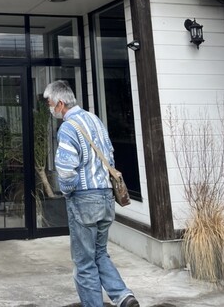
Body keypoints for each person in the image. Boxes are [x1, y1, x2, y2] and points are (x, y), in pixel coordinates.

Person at [43, 80, 140, 307]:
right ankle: (123, 296)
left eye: (50, 104)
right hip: (106, 196)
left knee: (84, 262)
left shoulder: (68, 127)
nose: (50, 109)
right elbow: (110, 156)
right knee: (99, 253)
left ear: (60, 103)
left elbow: (66, 170)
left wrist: (67, 192)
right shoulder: (95, 120)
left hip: (84, 199)